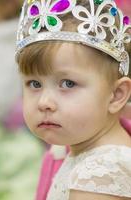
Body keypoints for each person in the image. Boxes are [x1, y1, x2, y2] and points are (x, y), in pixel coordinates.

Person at [16, 0, 131, 199]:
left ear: (116, 95)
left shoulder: (101, 174)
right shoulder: (81, 147)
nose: (44, 103)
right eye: (34, 84)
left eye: (68, 84)